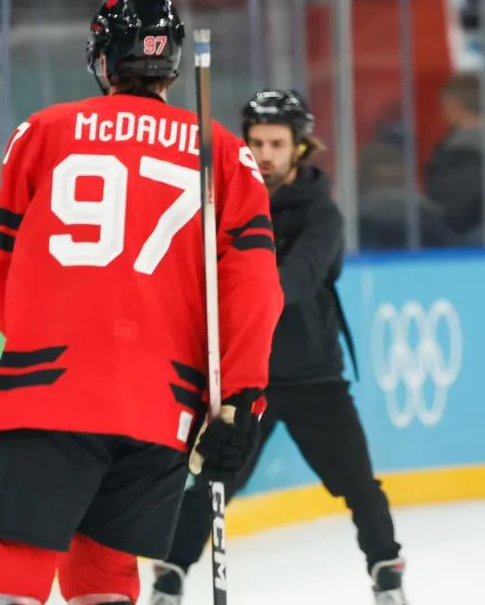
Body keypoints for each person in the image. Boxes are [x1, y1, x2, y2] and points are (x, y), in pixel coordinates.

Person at [0, 0, 283, 605]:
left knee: (21, 552)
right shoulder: (220, 150)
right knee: (106, 572)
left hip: (51, 382)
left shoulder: (43, 132)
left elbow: (0, 280)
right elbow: (254, 288)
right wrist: (242, 399)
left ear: (103, 60)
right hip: (161, 400)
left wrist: (29, 336)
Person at [151, 90, 408, 605]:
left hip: (315, 376)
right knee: (214, 482)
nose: (265, 154)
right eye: (256, 143)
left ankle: (386, 574)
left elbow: (290, 285)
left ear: (300, 148)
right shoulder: (222, 203)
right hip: (247, 377)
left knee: (359, 484)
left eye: (277, 143)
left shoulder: (322, 216)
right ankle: (170, 577)